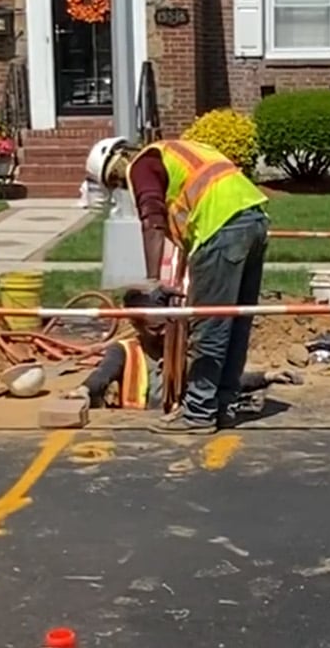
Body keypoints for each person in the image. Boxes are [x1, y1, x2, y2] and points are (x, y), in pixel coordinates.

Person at [85, 136, 270, 433]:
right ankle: (223, 405)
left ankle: (198, 412)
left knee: (209, 326)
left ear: (116, 167)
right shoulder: (181, 151)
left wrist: (152, 283)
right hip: (254, 219)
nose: (123, 188)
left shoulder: (142, 164)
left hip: (220, 227)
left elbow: (153, 222)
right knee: (236, 321)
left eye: (116, 183)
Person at [69, 283, 301, 412]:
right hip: (134, 428)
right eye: (154, 329)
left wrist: (267, 376)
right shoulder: (124, 351)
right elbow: (102, 374)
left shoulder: (181, 351)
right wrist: (83, 390)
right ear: (136, 326)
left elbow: (213, 380)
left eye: (165, 327)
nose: (162, 334)